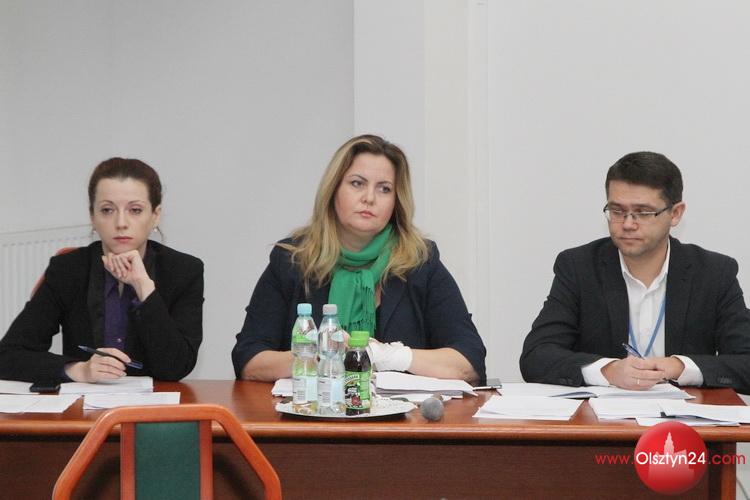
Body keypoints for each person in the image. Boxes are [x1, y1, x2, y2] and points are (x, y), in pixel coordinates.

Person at [232, 134, 486, 383]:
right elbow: (249, 360)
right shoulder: (293, 260)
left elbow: (469, 361)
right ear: (333, 189)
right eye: (357, 183)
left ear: (396, 201)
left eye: (384, 189)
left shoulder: (419, 261)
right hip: (314, 408)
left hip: (402, 411)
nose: (369, 198)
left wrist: (388, 356)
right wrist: (319, 355)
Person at [520, 152, 750, 393]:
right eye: (617, 211)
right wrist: (607, 371)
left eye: (643, 212)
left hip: (684, 413)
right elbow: (536, 355)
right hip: (600, 415)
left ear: (675, 213)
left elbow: (745, 362)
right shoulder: (578, 267)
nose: (628, 224)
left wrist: (680, 367)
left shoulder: (714, 273)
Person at [0, 158, 204, 384]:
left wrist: (144, 288)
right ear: (92, 217)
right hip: (86, 402)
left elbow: (177, 367)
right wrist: (78, 370)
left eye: (135, 210)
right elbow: (8, 355)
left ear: (155, 215)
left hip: (153, 401)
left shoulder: (184, 271)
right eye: (107, 210)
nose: (121, 222)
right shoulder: (68, 269)